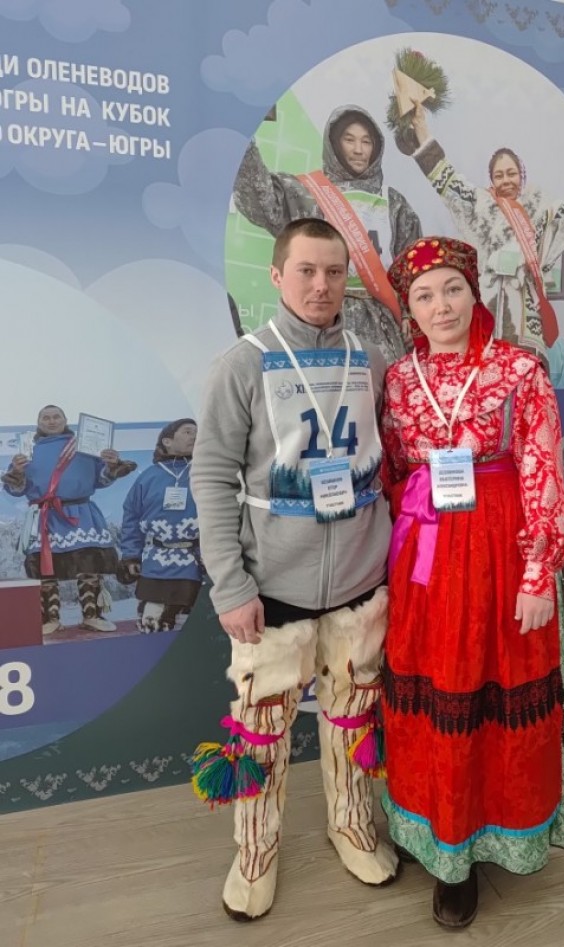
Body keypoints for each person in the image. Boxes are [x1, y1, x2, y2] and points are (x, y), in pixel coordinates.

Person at [190, 218, 397, 922]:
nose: (321, 286)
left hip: (361, 584)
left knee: (353, 714)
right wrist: (231, 585)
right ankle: (256, 849)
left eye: (334, 272)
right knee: (262, 730)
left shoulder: (370, 359)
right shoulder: (242, 364)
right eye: (306, 271)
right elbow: (211, 477)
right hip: (272, 588)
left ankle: (353, 823)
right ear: (277, 275)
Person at [379, 236, 564, 928]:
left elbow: (542, 469)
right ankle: (440, 843)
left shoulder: (519, 370)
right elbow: (393, 469)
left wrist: (537, 573)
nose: (441, 306)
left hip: (502, 552)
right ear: (409, 308)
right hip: (425, 559)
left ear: (475, 293)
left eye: (452, 289)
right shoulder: (399, 380)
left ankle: (486, 842)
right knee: (430, 691)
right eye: (424, 295)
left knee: (493, 693)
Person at [400, 102, 564, 369]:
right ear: (491, 180)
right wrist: (422, 130)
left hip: (526, 316)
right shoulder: (479, 206)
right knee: (484, 381)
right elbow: (446, 180)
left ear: (522, 175)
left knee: (526, 382)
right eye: (499, 175)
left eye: (511, 174)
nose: (506, 181)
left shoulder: (541, 210)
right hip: (487, 309)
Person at [232, 105, 421, 363]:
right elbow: (258, 198)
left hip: (384, 331)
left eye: (366, 141)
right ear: (333, 143)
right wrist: (241, 138)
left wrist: (410, 314)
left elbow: (414, 268)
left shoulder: (394, 202)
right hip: (319, 323)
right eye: (349, 140)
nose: (358, 149)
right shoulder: (305, 193)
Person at [1, 405, 136, 635]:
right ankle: (50, 618)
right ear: (38, 422)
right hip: (45, 516)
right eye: (45, 417)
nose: (51, 421)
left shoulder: (85, 447)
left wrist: (111, 465)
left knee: (89, 566)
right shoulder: (27, 451)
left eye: (56, 417)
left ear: (65, 420)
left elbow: (101, 480)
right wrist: (17, 472)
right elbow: (16, 490)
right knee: (45, 568)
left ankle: (92, 615)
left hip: (81, 513)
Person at [118, 419, 203, 632]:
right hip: (156, 563)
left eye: (197, 432)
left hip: (197, 562)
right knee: (152, 625)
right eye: (187, 432)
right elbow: (131, 517)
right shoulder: (148, 478)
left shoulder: (207, 473)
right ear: (167, 441)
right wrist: (131, 556)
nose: (194, 435)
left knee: (195, 629)